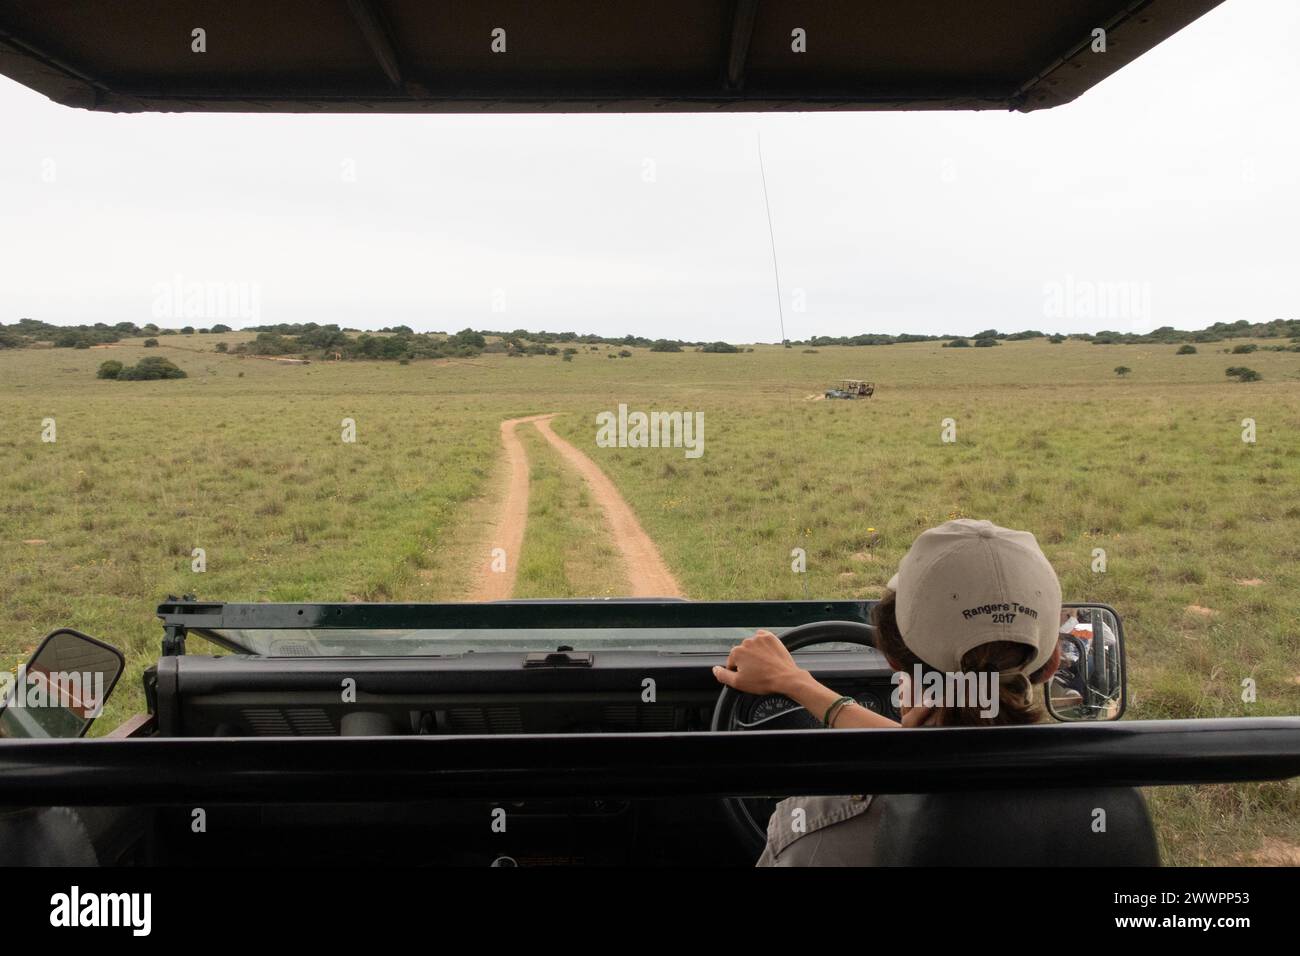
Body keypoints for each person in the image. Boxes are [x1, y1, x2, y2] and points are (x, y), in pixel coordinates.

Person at [711, 518, 1064, 865]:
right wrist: (798, 684)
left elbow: (938, 753)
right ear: (1052, 663)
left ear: (893, 657)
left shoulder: (815, 835)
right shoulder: (1101, 799)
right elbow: (951, 746)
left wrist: (794, 682)